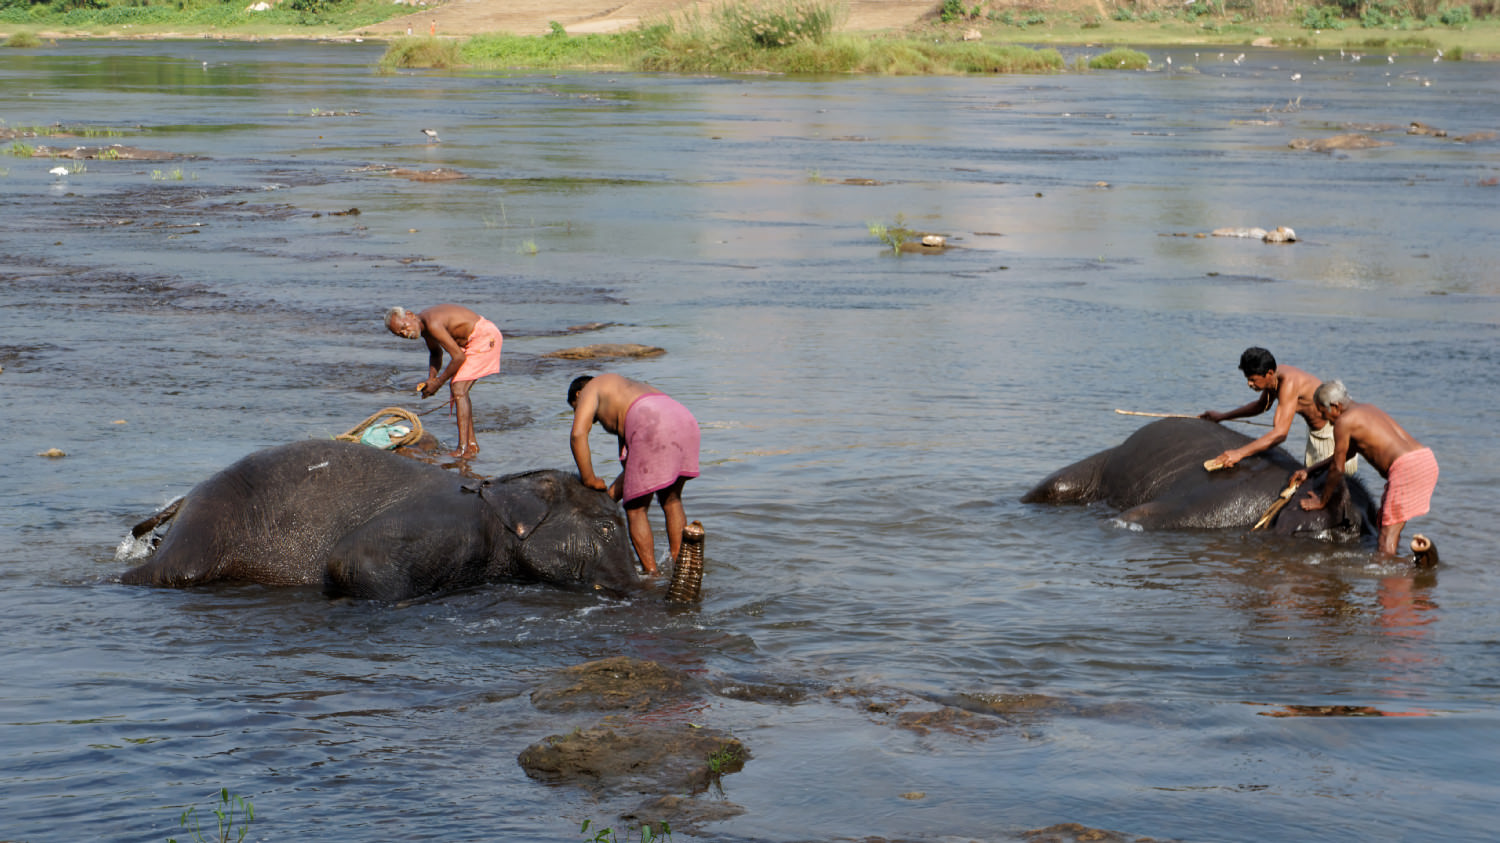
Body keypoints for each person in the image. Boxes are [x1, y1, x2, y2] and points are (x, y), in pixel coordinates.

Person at [568, 373, 700, 576]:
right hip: (683, 418)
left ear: (578, 394)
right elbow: (633, 468)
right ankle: (680, 569)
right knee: (671, 500)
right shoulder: (624, 390)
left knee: (636, 508)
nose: (583, 415)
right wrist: (609, 498)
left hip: (650, 421)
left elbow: (578, 434)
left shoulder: (590, 388)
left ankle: (651, 575)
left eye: (575, 408)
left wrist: (589, 479)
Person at [1292, 380, 1438, 558]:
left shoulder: (1343, 422)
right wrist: (1310, 470)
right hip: (1424, 460)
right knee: (1387, 525)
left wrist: (1323, 501)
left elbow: (1338, 468)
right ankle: (1404, 565)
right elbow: (1347, 455)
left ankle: (1388, 578)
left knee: (1386, 536)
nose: (1326, 420)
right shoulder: (1366, 410)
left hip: (1406, 468)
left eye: (1324, 413)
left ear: (1335, 406)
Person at [1200, 346, 1357, 474]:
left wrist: (1239, 453)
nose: (1249, 384)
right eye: (1247, 379)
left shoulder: (1288, 383)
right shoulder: (1274, 377)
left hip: (1332, 436)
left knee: (1327, 490)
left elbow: (1280, 434)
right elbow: (1261, 406)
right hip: (1316, 435)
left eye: (1253, 380)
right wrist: (1222, 416)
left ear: (1268, 374)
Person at [385, 304, 502, 459]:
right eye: (400, 334)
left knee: (458, 388)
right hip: (472, 342)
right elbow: (435, 353)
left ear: (410, 315)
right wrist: (431, 379)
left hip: (485, 337)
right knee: (458, 389)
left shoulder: (432, 323)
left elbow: (458, 357)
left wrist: (438, 383)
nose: (406, 333)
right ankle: (472, 445)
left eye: (404, 327)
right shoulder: (425, 328)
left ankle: (462, 448)